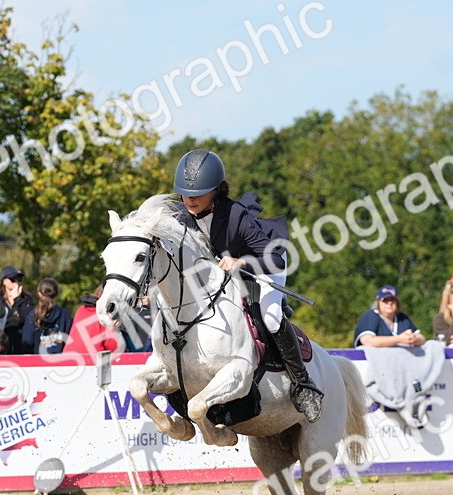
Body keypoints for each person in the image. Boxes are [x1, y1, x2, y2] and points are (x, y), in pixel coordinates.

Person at [171, 148, 323, 421]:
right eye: (184, 192)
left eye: (198, 192)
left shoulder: (236, 215)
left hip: (263, 261)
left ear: (216, 191)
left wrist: (241, 263)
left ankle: (304, 385)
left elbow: (274, 258)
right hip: (220, 275)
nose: (189, 199)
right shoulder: (181, 218)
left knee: (271, 316)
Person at [354, 285, 426, 348]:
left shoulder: (402, 318)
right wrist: (399, 339)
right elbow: (367, 341)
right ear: (377, 302)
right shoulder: (370, 315)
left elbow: (422, 339)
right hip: (371, 361)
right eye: (385, 300)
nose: (389, 303)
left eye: (393, 299)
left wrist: (413, 338)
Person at [65, 284, 122, 358]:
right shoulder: (105, 312)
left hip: (67, 357)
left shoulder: (81, 309)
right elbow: (111, 344)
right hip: (92, 359)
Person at [22, 277, 72, 355]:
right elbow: (71, 339)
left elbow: (27, 341)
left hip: (39, 362)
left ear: (39, 293)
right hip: (61, 362)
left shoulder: (33, 315)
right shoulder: (64, 315)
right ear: (57, 294)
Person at [0, 266, 34, 353]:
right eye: (13, 279)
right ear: (4, 281)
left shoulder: (26, 299)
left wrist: (18, 300)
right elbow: (1, 323)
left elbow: (30, 318)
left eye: (19, 279)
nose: (17, 282)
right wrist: (17, 319)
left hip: (23, 347)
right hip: (5, 347)